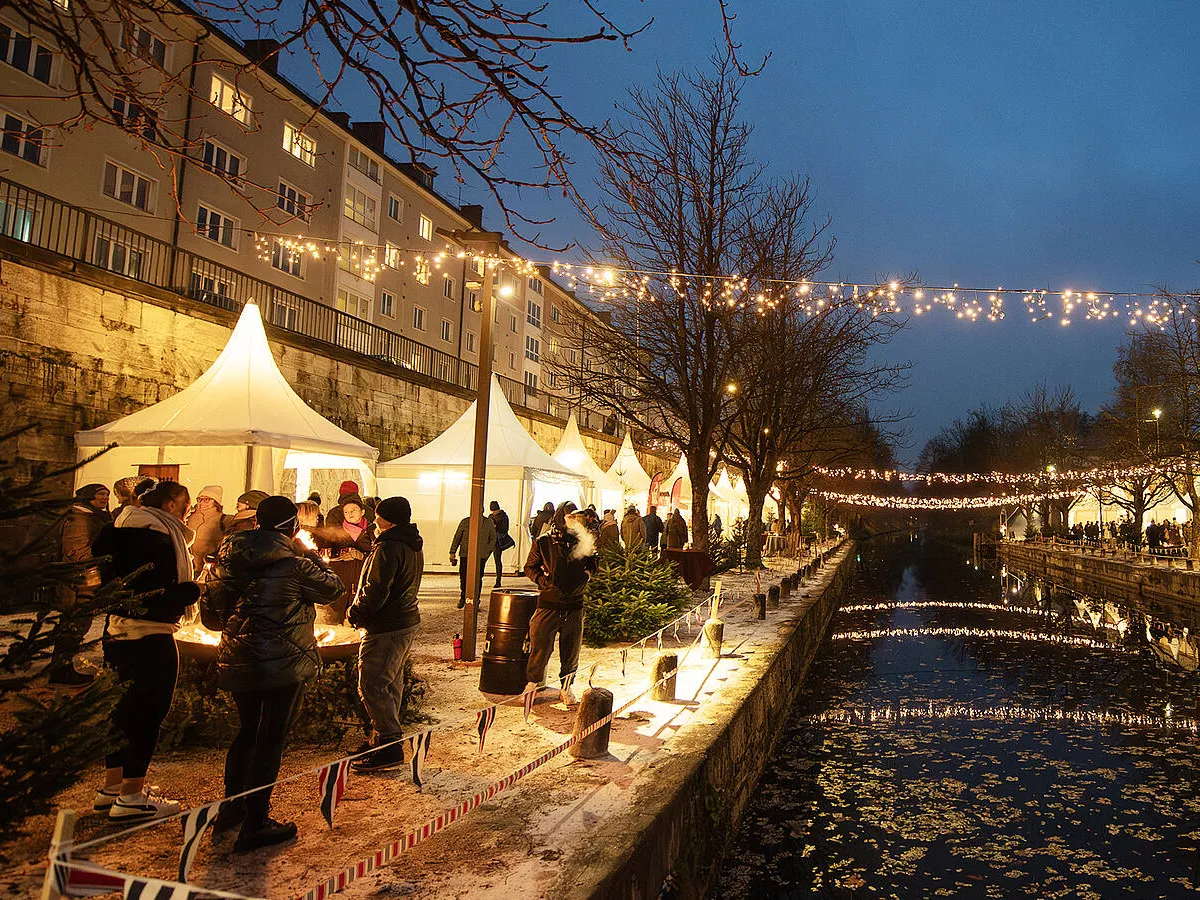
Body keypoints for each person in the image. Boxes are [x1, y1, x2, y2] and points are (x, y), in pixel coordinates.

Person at [205, 495, 343, 851]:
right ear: (292, 527)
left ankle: (231, 809)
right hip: (284, 663)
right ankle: (256, 821)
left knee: (248, 731)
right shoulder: (296, 564)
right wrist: (310, 554)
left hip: (239, 659)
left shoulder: (226, 561)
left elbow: (209, 617)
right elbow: (333, 589)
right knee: (271, 738)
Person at [91, 482, 199, 821]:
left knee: (121, 712)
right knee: (147, 714)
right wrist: (193, 590)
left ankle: (112, 787)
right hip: (150, 635)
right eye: (185, 503)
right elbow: (156, 593)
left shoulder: (117, 528)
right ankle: (133, 795)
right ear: (169, 504)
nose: (189, 509)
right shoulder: (158, 537)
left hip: (116, 633)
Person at [346, 497, 424, 772]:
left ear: (388, 518)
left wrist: (357, 613)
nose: (375, 520)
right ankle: (380, 739)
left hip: (387, 624)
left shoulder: (389, 546)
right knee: (390, 682)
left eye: (378, 516)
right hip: (402, 621)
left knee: (373, 682)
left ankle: (389, 747)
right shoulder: (409, 543)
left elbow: (377, 588)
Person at [523, 505, 598, 706]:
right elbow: (529, 567)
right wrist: (543, 580)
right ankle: (532, 684)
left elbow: (593, 563)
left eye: (576, 516)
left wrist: (587, 576)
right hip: (549, 603)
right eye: (569, 516)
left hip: (574, 605)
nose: (573, 520)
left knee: (571, 650)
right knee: (540, 645)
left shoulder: (582, 539)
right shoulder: (544, 541)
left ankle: (566, 688)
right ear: (561, 518)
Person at [48, 483, 111, 685]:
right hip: (79, 581)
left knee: (76, 624)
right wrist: (95, 572)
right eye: (101, 494)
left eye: (107, 495)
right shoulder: (80, 519)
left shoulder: (90, 516)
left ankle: (62, 669)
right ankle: (60, 672)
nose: (105, 498)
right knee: (74, 624)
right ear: (88, 496)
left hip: (82, 579)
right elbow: (77, 552)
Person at [449, 510, 496, 609]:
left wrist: (486, 552)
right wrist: (452, 552)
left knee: (477, 578)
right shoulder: (465, 522)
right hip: (466, 554)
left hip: (480, 555)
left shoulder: (488, 523)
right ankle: (464, 597)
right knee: (464, 577)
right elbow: (457, 537)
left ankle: (475, 600)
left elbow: (493, 538)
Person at [186, 485, 226, 572]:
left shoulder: (223, 519)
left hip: (208, 568)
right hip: (187, 565)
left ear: (215, 502)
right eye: (199, 499)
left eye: (206, 500)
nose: (202, 503)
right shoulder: (188, 516)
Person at [489, 500, 514, 588]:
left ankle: (498, 580)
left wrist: (496, 526)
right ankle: (498, 580)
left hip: (497, 541)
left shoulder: (502, 516)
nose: (494, 513)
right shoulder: (493, 516)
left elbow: (504, 529)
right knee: (497, 560)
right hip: (493, 540)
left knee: (497, 560)